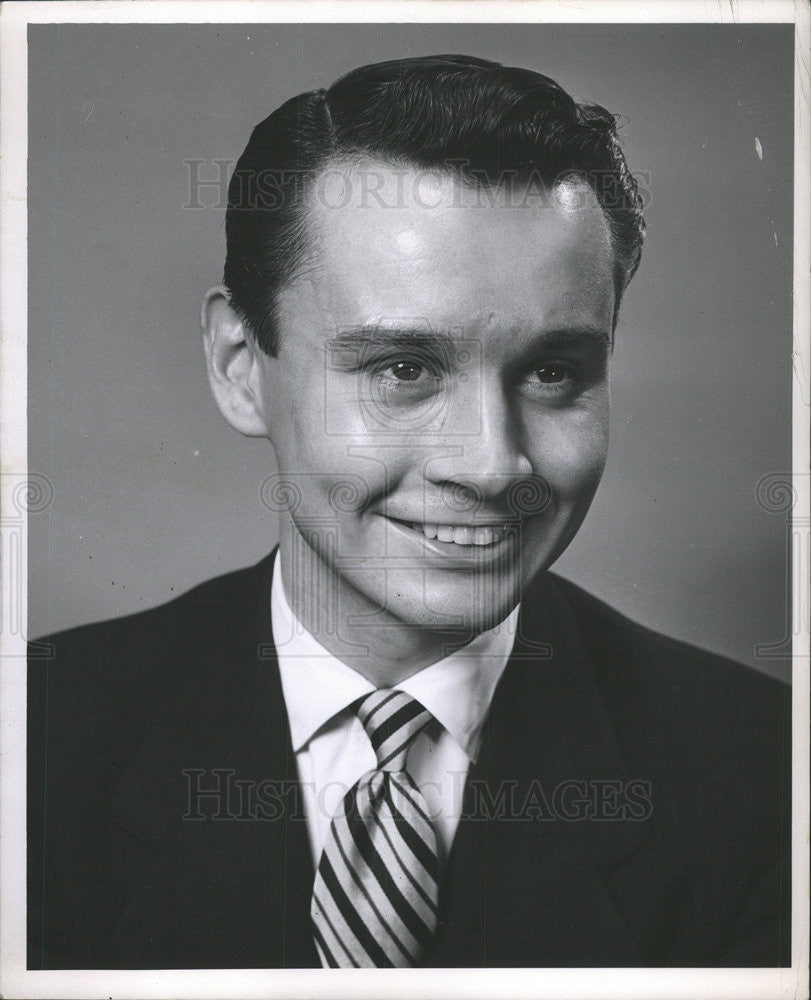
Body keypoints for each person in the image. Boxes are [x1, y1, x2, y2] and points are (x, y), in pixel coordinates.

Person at [27, 54, 790, 970]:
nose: (491, 463)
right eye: (402, 370)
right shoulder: (29, 748)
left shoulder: (769, 782)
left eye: (553, 372)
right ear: (239, 366)